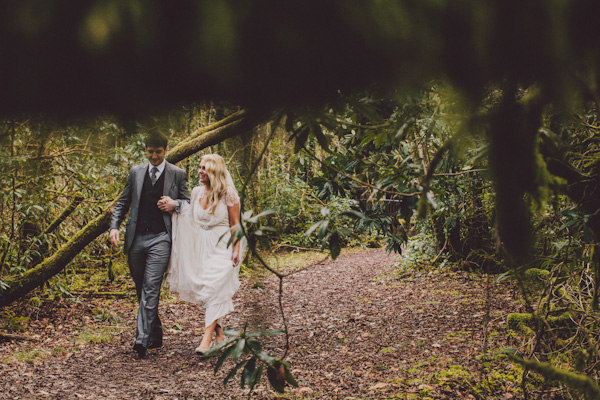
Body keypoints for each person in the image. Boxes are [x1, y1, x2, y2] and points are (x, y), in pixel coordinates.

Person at [109, 129, 190, 358]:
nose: (154, 156)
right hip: (136, 237)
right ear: (146, 150)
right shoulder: (136, 172)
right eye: (150, 152)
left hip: (161, 238)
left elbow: (189, 204)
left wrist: (174, 204)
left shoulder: (177, 174)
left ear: (166, 150)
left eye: (158, 152)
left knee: (151, 287)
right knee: (140, 288)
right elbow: (123, 202)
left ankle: (141, 341)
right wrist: (114, 227)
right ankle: (155, 333)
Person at [164, 153, 245, 354]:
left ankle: (205, 339)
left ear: (215, 171)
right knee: (205, 290)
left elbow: (236, 225)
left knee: (214, 287)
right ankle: (219, 333)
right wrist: (174, 207)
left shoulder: (229, 194)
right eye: (200, 167)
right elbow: (190, 219)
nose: (200, 171)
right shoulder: (196, 192)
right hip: (201, 247)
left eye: (204, 168)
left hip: (222, 245)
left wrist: (236, 249)